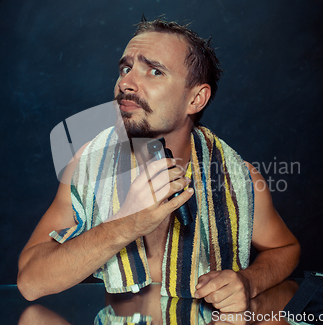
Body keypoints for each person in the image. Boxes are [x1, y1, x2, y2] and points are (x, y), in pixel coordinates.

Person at [17, 18, 300, 313]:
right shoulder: (87, 165)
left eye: (154, 71)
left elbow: (285, 249)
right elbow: (30, 282)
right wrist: (126, 223)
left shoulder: (237, 177)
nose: (125, 83)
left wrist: (249, 282)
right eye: (126, 69)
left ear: (196, 98)